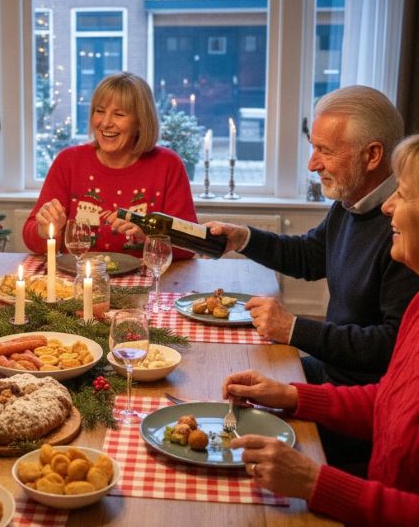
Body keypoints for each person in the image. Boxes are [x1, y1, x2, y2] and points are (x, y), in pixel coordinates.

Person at [221, 134, 419, 526]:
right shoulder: (349, 210)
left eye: (405, 194)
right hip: (367, 471)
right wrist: (293, 395)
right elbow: (391, 400)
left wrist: (317, 482)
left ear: (371, 154)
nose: (389, 206)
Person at [207, 85, 419, 387]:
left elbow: (390, 345)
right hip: (332, 371)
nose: (312, 164)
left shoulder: (406, 232)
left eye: (325, 150)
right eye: (313, 146)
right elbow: (310, 257)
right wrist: (243, 238)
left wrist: (293, 328)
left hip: (360, 396)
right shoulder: (350, 203)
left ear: (372, 155)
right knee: (228, 376)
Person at [22, 71, 197, 259]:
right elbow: (31, 238)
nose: (105, 123)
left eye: (119, 114)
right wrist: (44, 229)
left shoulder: (168, 165)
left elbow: (189, 246)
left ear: (140, 121)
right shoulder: (69, 161)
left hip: (145, 284)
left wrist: (148, 234)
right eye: (99, 111)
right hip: (78, 283)